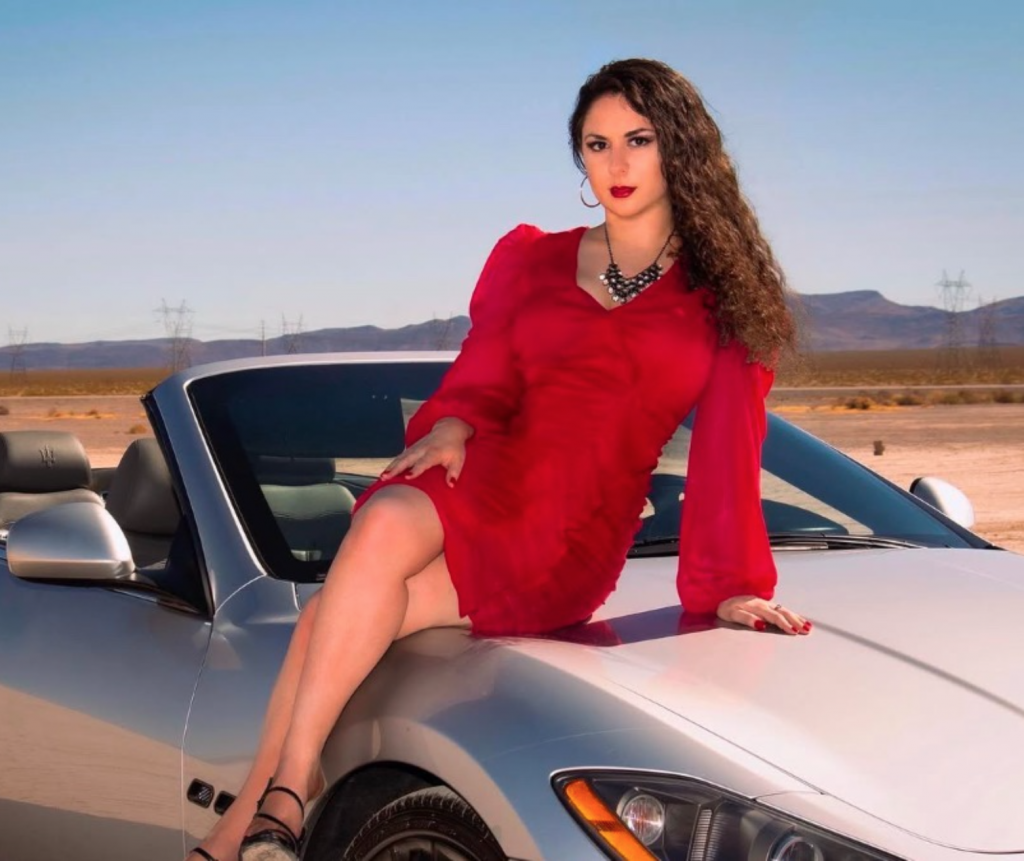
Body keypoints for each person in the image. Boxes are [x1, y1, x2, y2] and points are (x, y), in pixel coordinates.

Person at [188, 57, 810, 861]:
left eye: (638, 139)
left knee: (328, 616)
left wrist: (728, 586)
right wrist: (454, 422)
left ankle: (248, 818)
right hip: (485, 469)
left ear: (679, 148)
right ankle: (288, 787)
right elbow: (486, 369)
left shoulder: (721, 301)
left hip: (570, 530)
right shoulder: (532, 260)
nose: (615, 164)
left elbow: (730, 446)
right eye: (596, 144)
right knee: (381, 524)